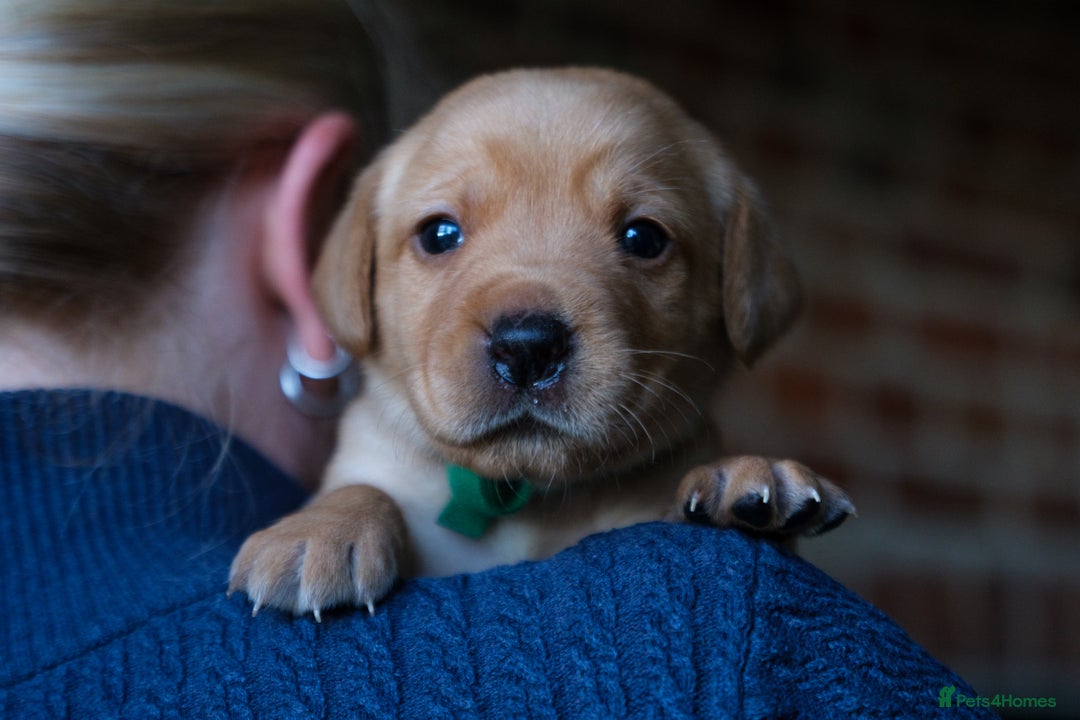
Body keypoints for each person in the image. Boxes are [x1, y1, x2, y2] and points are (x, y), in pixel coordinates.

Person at [0, 1, 993, 717]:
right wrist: (352, 511)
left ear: (735, 294)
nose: (525, 325)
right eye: (440, 236)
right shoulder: (733, 650)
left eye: (642, 238)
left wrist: (726, 511)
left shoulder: (718, 596)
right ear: (348, 276)